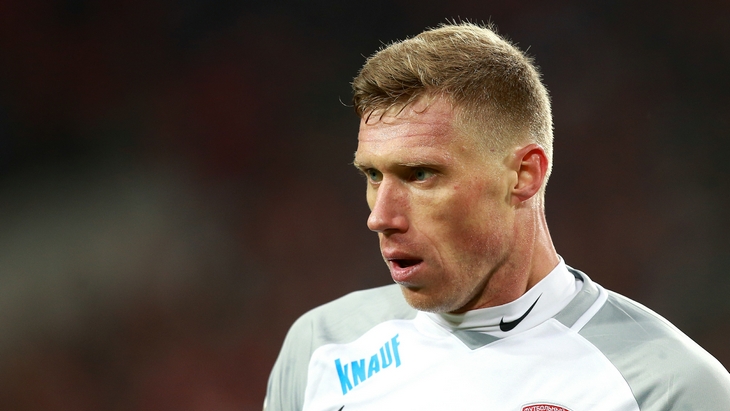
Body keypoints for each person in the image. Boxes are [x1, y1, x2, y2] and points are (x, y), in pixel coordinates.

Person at [263, 22, 730, 411]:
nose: (381, 217)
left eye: (420, 174)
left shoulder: (666, 387)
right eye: (372, 175)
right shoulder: (321, 345)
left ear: (524, 175)